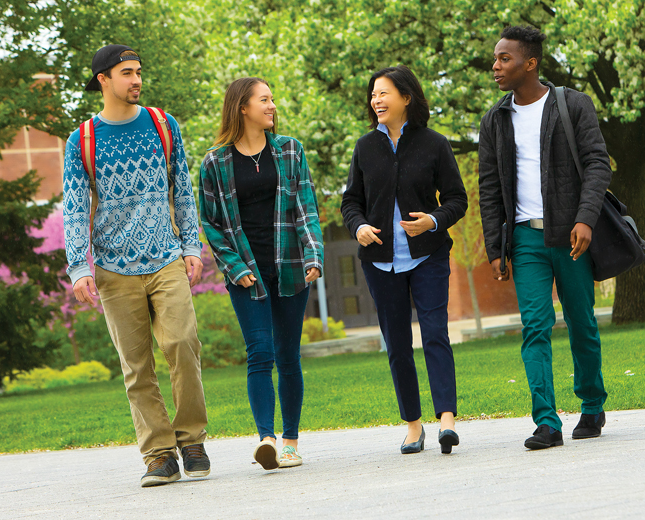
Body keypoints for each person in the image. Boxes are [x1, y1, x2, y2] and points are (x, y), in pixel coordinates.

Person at [63, 44, 210, 486]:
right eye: (127, 72)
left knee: (183, 344)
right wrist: (79, 266)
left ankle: (192, 438)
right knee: (136, 367)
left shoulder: (163, 126)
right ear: (103, 80)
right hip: (112, 268)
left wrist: (191, 245)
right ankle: (159, 455)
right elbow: (73, 207)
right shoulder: (82, 141)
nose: (137, 80)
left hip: (166, 258)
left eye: (138, 71)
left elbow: (182, 187)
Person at [478, 26, 612, 450]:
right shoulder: (494, 120)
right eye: (496, 59)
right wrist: (496, 248)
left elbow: (596, 164)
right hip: (524, 239)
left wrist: (586, 218)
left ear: (530, 63)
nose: (495, 66)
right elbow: (489, 188)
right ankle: (546, 422)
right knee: (534, 327)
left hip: (570, 234)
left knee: (581, 323)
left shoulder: (573, 104)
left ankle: (592, 404)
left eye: (504, 59)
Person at [340, 65, 468, 455]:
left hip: (427, 256)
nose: (376, 100)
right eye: (373, 95)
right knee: (396, 344)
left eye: (384, 93)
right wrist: (358, 226)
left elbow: (457, 199)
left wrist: (432, 220)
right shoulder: (365, 147)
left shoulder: (434, 143)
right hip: (380, 263)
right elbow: (351, 201)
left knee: (434, 334)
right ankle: (413, 425)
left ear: (406, 98)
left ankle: (446, 419)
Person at [198, 77, 323, 471]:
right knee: (259, 353)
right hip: (246, 273)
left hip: (289, 268)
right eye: (264, 100)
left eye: (272, 100)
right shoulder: (215, 162)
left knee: (288, 356)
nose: (271, 106)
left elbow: (306, 208)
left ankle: (290, 442)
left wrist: (313, 256)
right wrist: (236, 268)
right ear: (242, 107)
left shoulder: (289, 150)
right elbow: (212, 223)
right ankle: (265, 439)